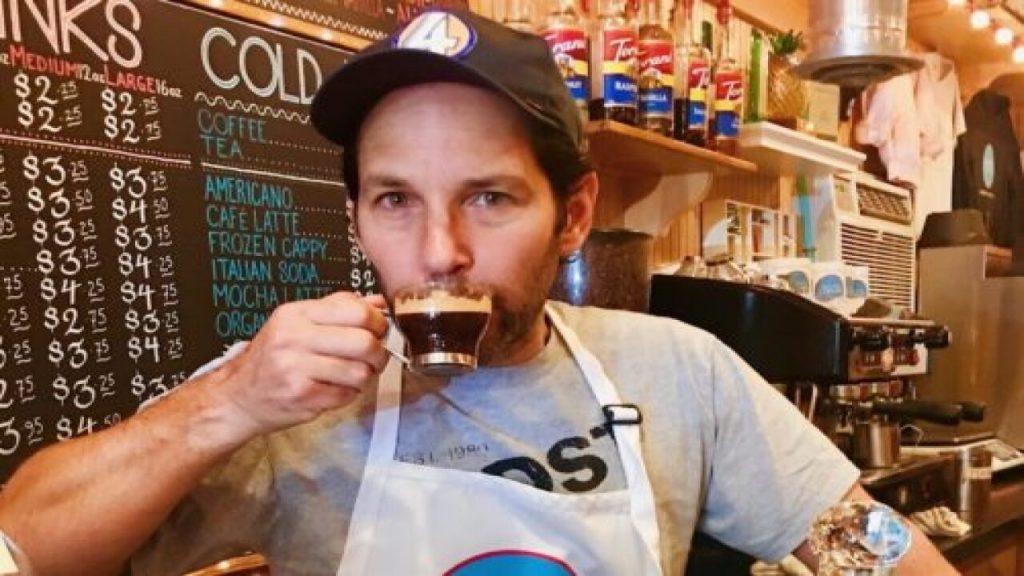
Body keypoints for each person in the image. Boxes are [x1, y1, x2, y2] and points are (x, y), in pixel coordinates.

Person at [0, 8, 957, 576]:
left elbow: (869, 549)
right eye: (394, 201)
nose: (439, 251)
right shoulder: (281, 394)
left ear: (572, 215)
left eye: (489, 198)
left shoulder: (676, 372)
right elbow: (24, 544)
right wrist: (227, 402)